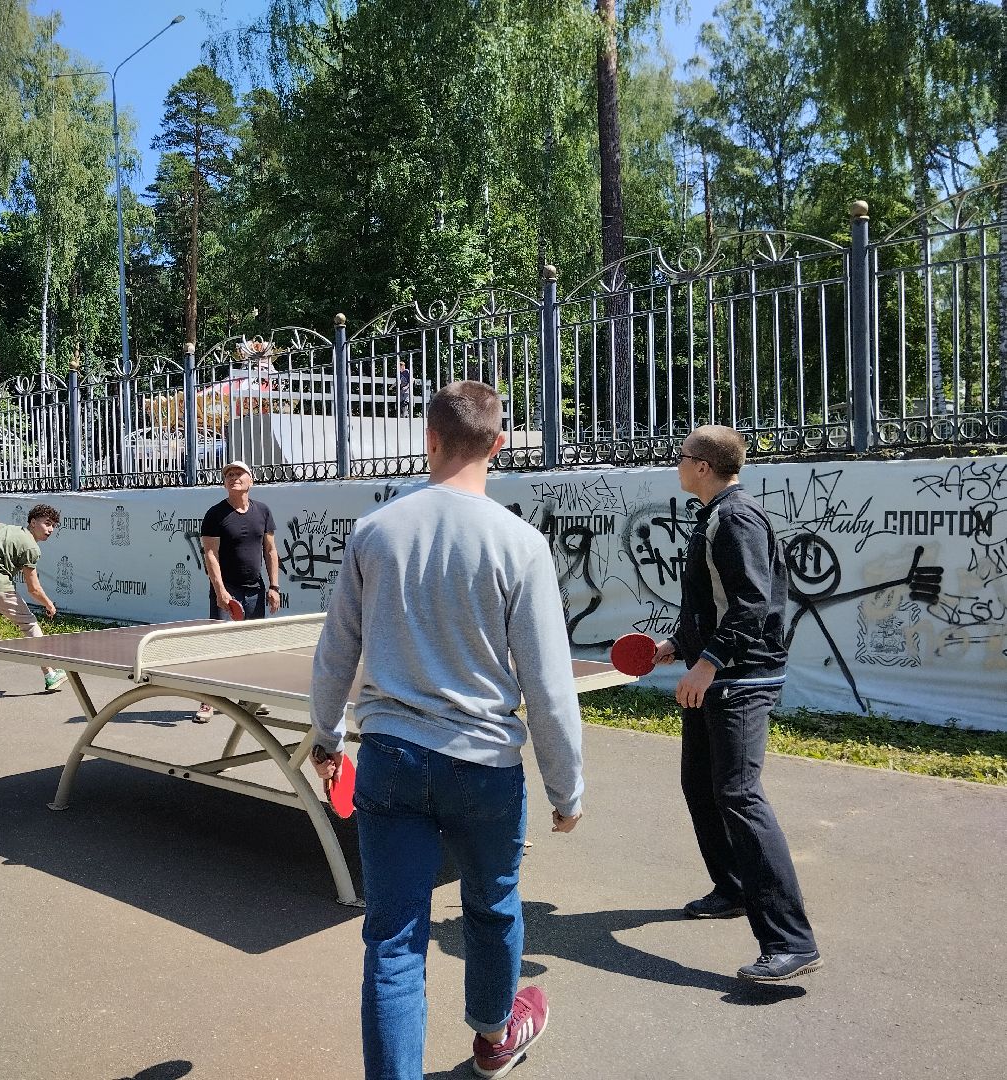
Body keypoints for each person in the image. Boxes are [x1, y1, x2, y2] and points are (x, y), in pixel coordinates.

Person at [309, 381, 584, 1080]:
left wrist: (326, 737)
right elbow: (548, 684)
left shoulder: (376, 531)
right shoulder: (521, 545)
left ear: (428, 440)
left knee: (394, 943)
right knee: (491, 908)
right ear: (498, 446)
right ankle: (495, 1040)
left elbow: (336, 649)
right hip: (484, 765)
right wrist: (566, 787)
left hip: (391, 759)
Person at [652, 424, 822, 983]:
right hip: (721, 674)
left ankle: (791, 940)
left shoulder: (736, 517)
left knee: (740, 794)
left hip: (742, 679)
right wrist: (678, 645)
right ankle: (734, 889)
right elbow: (715, 603)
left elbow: (753, 601)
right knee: (700, 786)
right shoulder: (713, 516)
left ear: (702, 465)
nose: (676, 463)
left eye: (681, 456)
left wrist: (708, 663)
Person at [0, 503, 68, 715]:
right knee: (31, 626)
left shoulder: (6, 528)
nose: (50, 529)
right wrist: (49, 604)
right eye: (47, 523)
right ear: (33, 522)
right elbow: (33, 588)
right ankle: (50, 674)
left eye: (53, 526)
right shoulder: (32, 548)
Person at [195, 460, 281, 722]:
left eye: (239, 473)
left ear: (250, 480)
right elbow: (210, 554)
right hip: (227, 590)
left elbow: (270, 550)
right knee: (218, 646)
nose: (233, 477)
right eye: (229, 474)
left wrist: (274, 586)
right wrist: (220, 591)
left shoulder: (263, 511)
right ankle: (208, 701)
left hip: (255, 589)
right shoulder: (215, 514)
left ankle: (249, 698)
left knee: (251, 645)